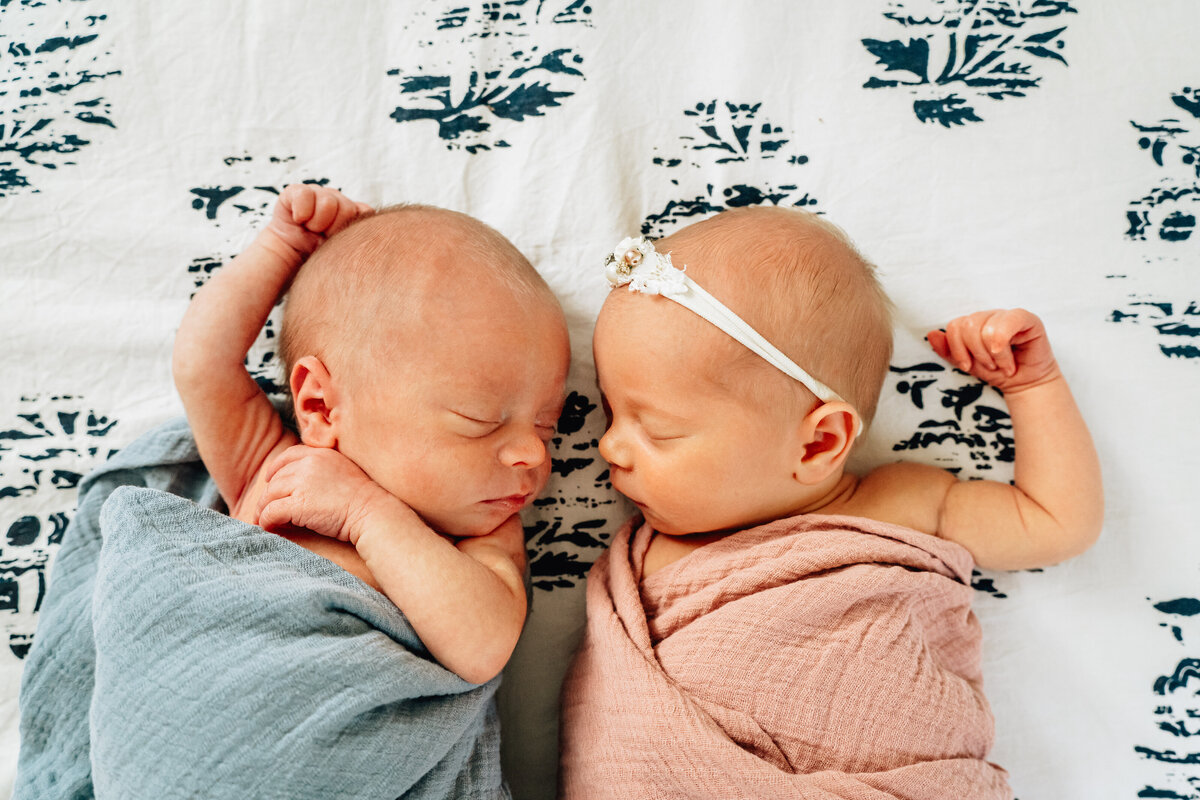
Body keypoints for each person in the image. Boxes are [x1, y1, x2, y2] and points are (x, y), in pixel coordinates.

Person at [558, 207, 1103, 798]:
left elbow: (1055, 522)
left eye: (658, 430)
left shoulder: (902, 504)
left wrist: (1034, 387)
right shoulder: (645, 558)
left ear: (819, 440)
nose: (609, 446)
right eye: (612, 412)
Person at [173, 183, 571, 685]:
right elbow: (201, 364)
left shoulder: (480, 538)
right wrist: (281, 247)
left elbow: (483, 649)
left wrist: (366, 514)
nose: (532, 451)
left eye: (546, 425)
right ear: (319, 406)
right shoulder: (275, 470)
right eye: (479, 421)